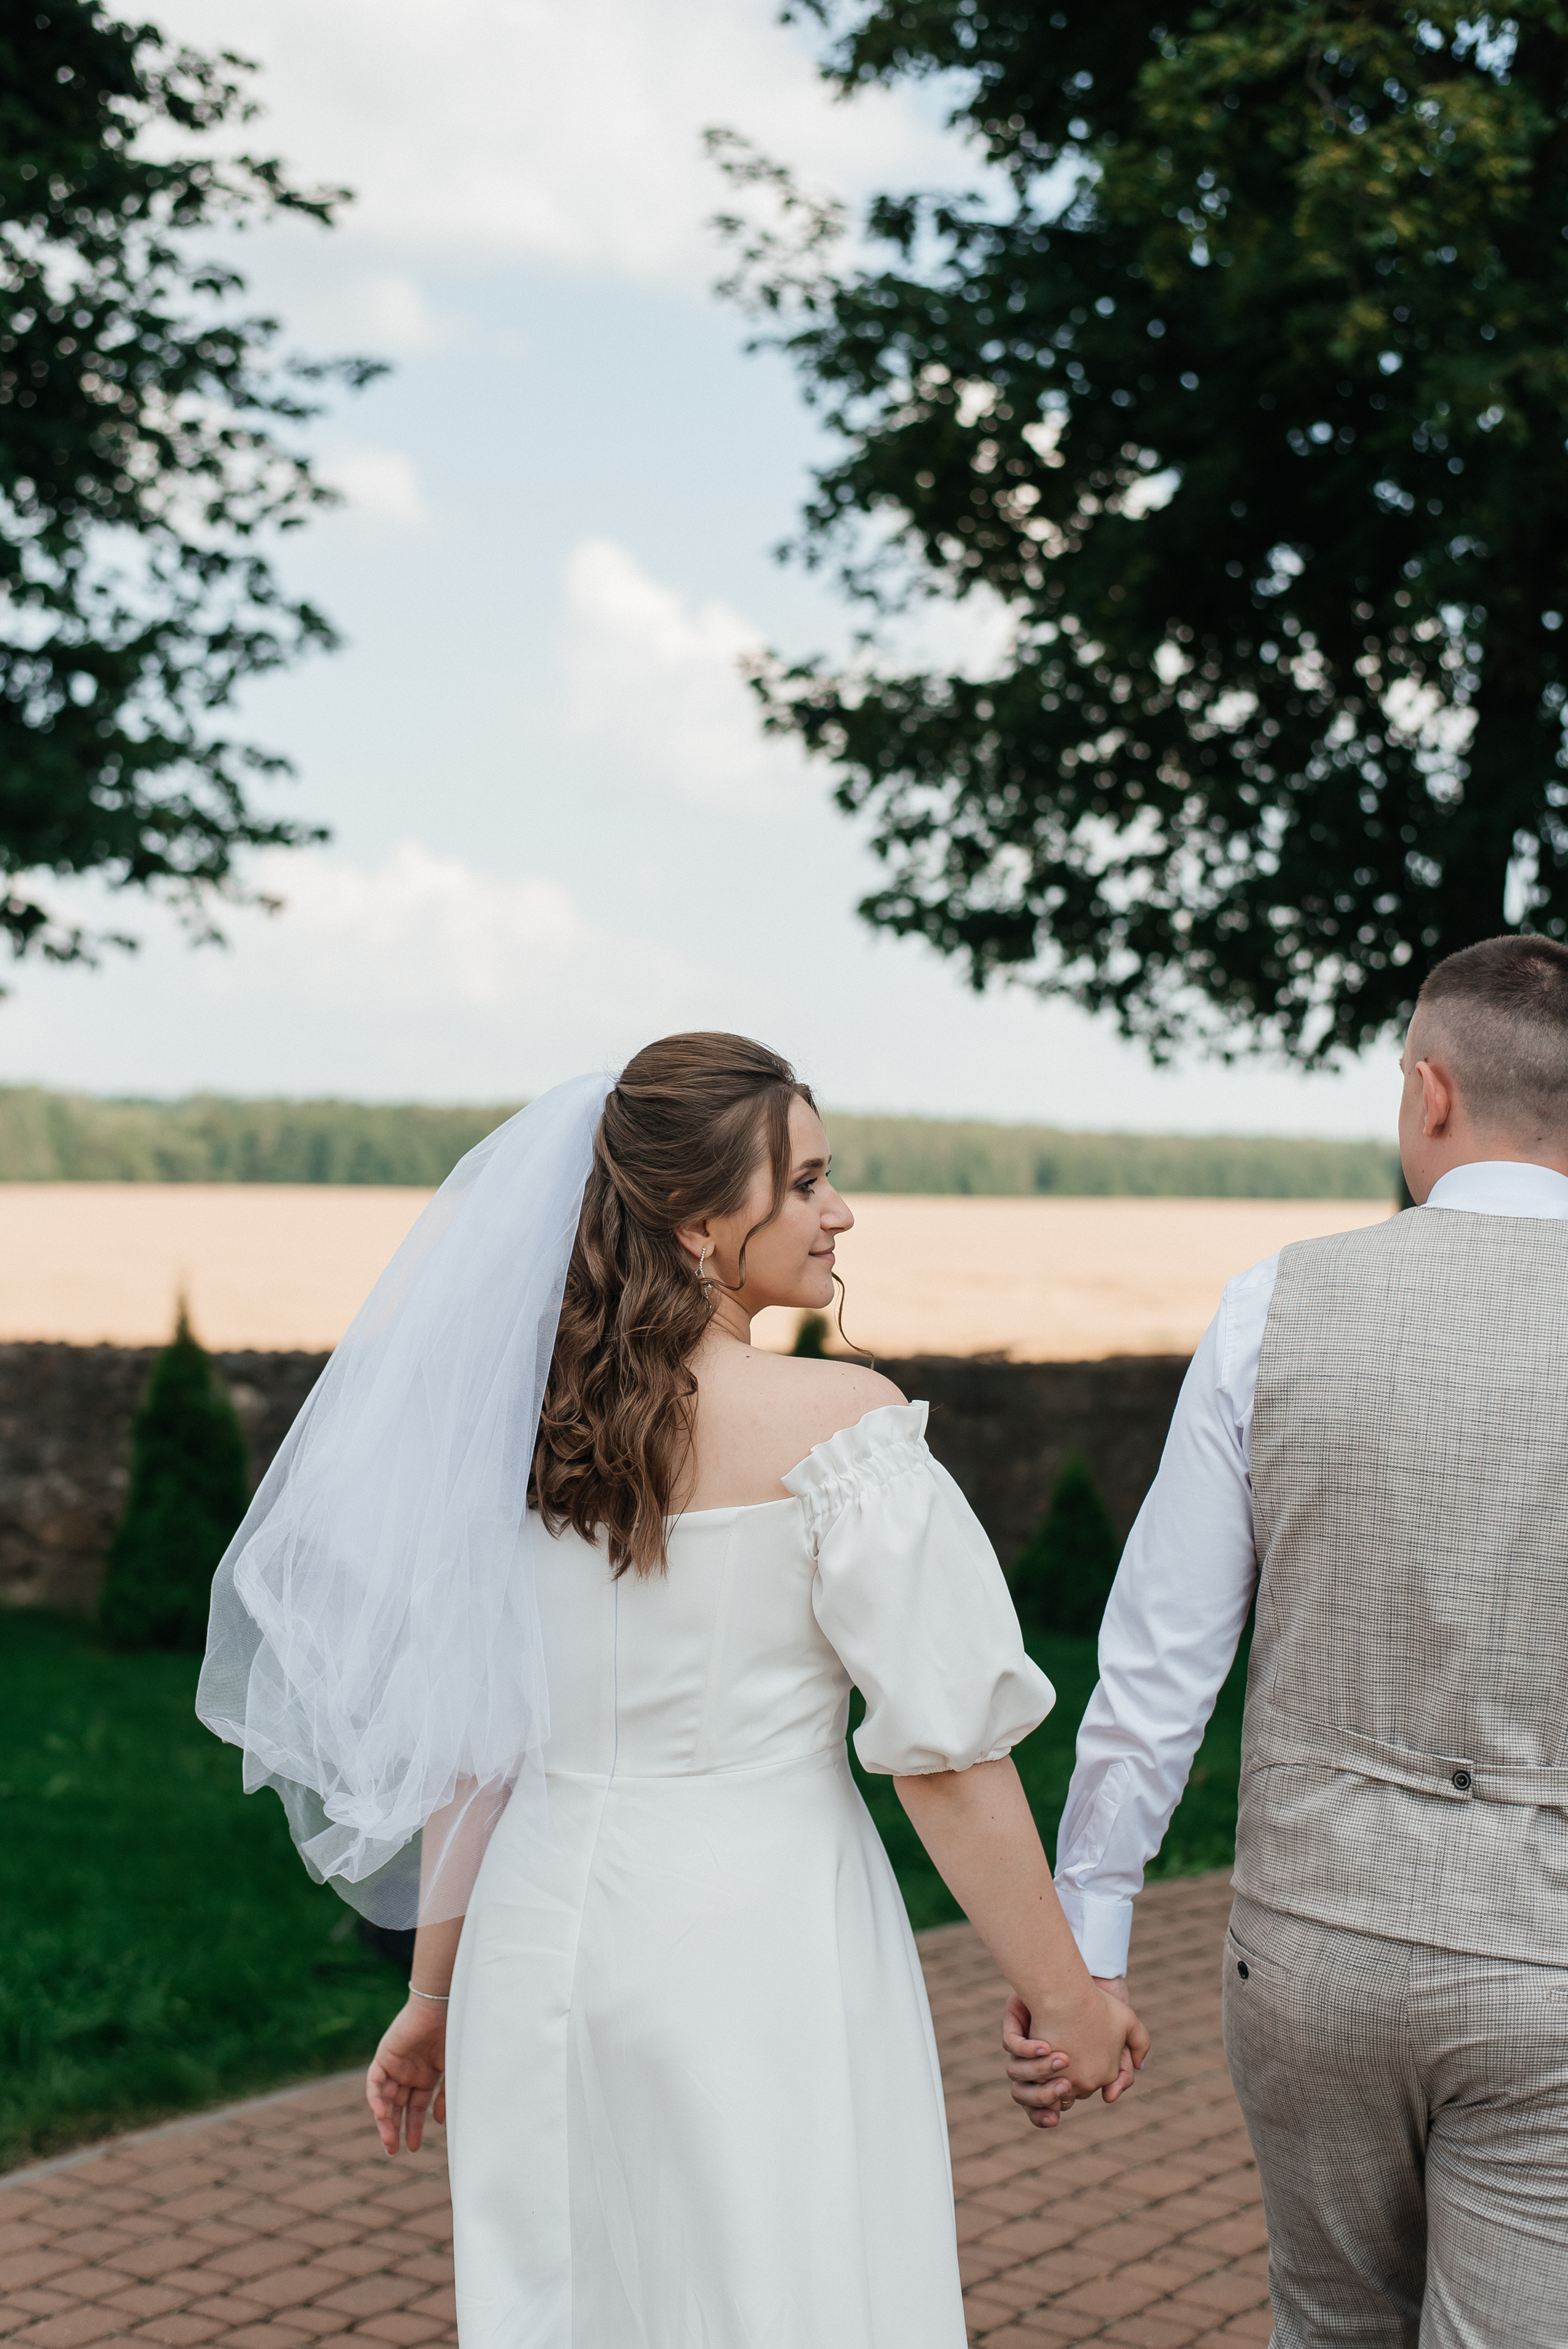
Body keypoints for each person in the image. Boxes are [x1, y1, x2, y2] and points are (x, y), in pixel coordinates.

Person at [199, 1032, 1147, 2349]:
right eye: (806, 1181)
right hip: (756, 1943)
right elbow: (944, 1755)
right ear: (701, 1225)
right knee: (784, 2292)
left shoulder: (520, 1441)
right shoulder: (841, 1429)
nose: (839, 1210)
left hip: (537, 1947)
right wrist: (1066, 1996)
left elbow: (480, 1745)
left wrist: (431, 2000)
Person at [1005, 936, 1568, 2345]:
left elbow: (1155, 1656)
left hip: (1309, 1947)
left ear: (1427, 1094)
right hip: (1549, 1964)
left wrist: (1090, 1941)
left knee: (1325, 2323)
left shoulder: (1277, 1302)